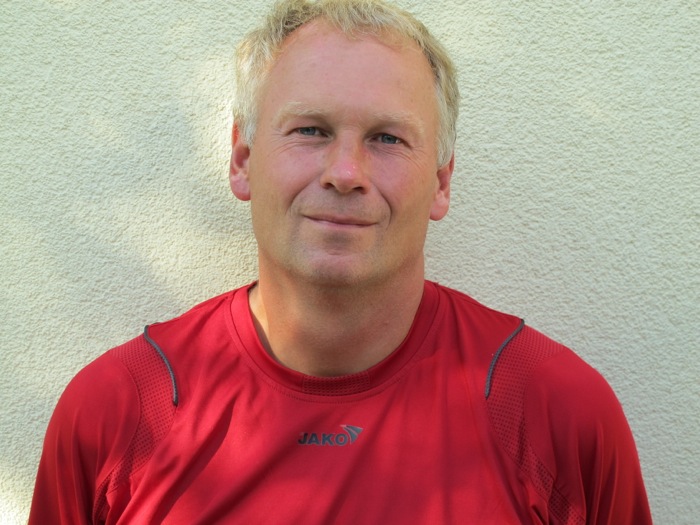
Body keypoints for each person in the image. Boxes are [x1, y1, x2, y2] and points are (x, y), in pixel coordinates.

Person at [29, 0, 652, 523]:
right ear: (242, 161)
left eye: (387, 138)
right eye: (310, 130)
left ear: (441, 181)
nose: (346, 173)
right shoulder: (116, 412)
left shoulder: (554, 413)